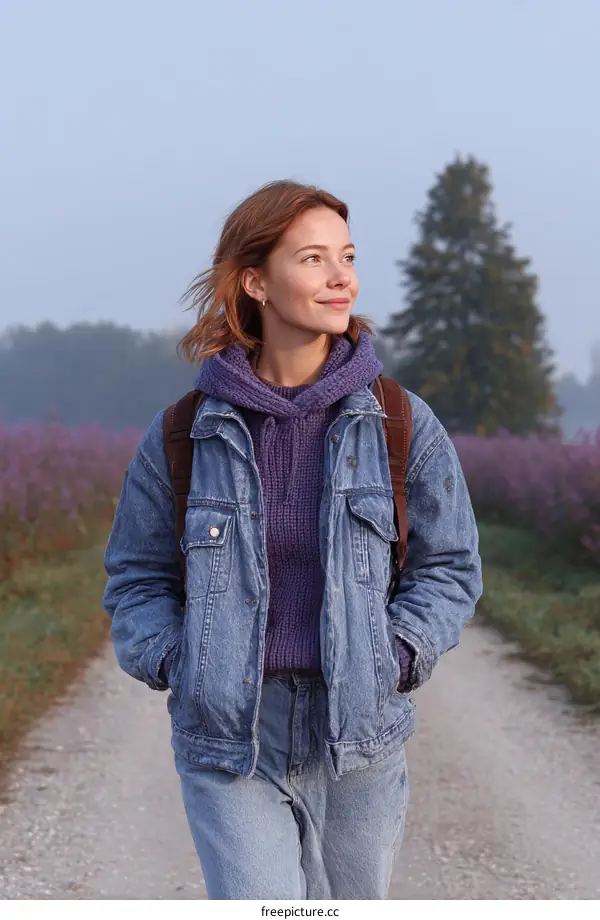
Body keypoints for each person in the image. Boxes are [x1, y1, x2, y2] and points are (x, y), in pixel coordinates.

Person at [102, 180, 483, 900]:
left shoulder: (400, 422)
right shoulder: (184, 434)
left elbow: (451, 566)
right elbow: (135, 577)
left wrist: (397, 654)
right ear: (256, 282)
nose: (342, 277)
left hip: (360, 737)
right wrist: (180, 660)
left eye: (347, 256)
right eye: (313, 259)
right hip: (230, 740)